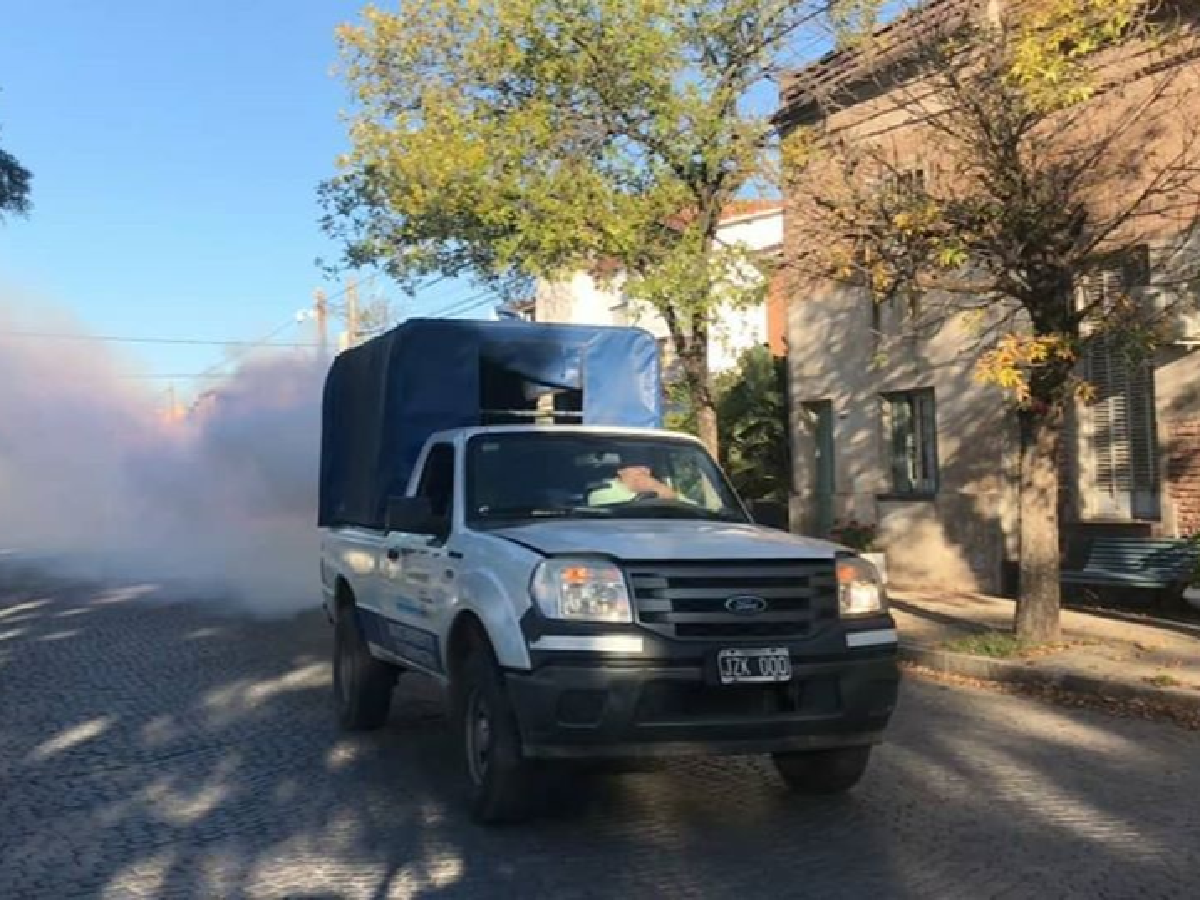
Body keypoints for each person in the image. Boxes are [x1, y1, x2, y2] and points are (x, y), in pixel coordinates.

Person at [587, 448, 678, 505]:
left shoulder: (664, 485)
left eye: (647, 466)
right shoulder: (602, 491)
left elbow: (684, 505)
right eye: (636, 466)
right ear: (621, 470)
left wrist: (657, 488)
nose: (644, 471)